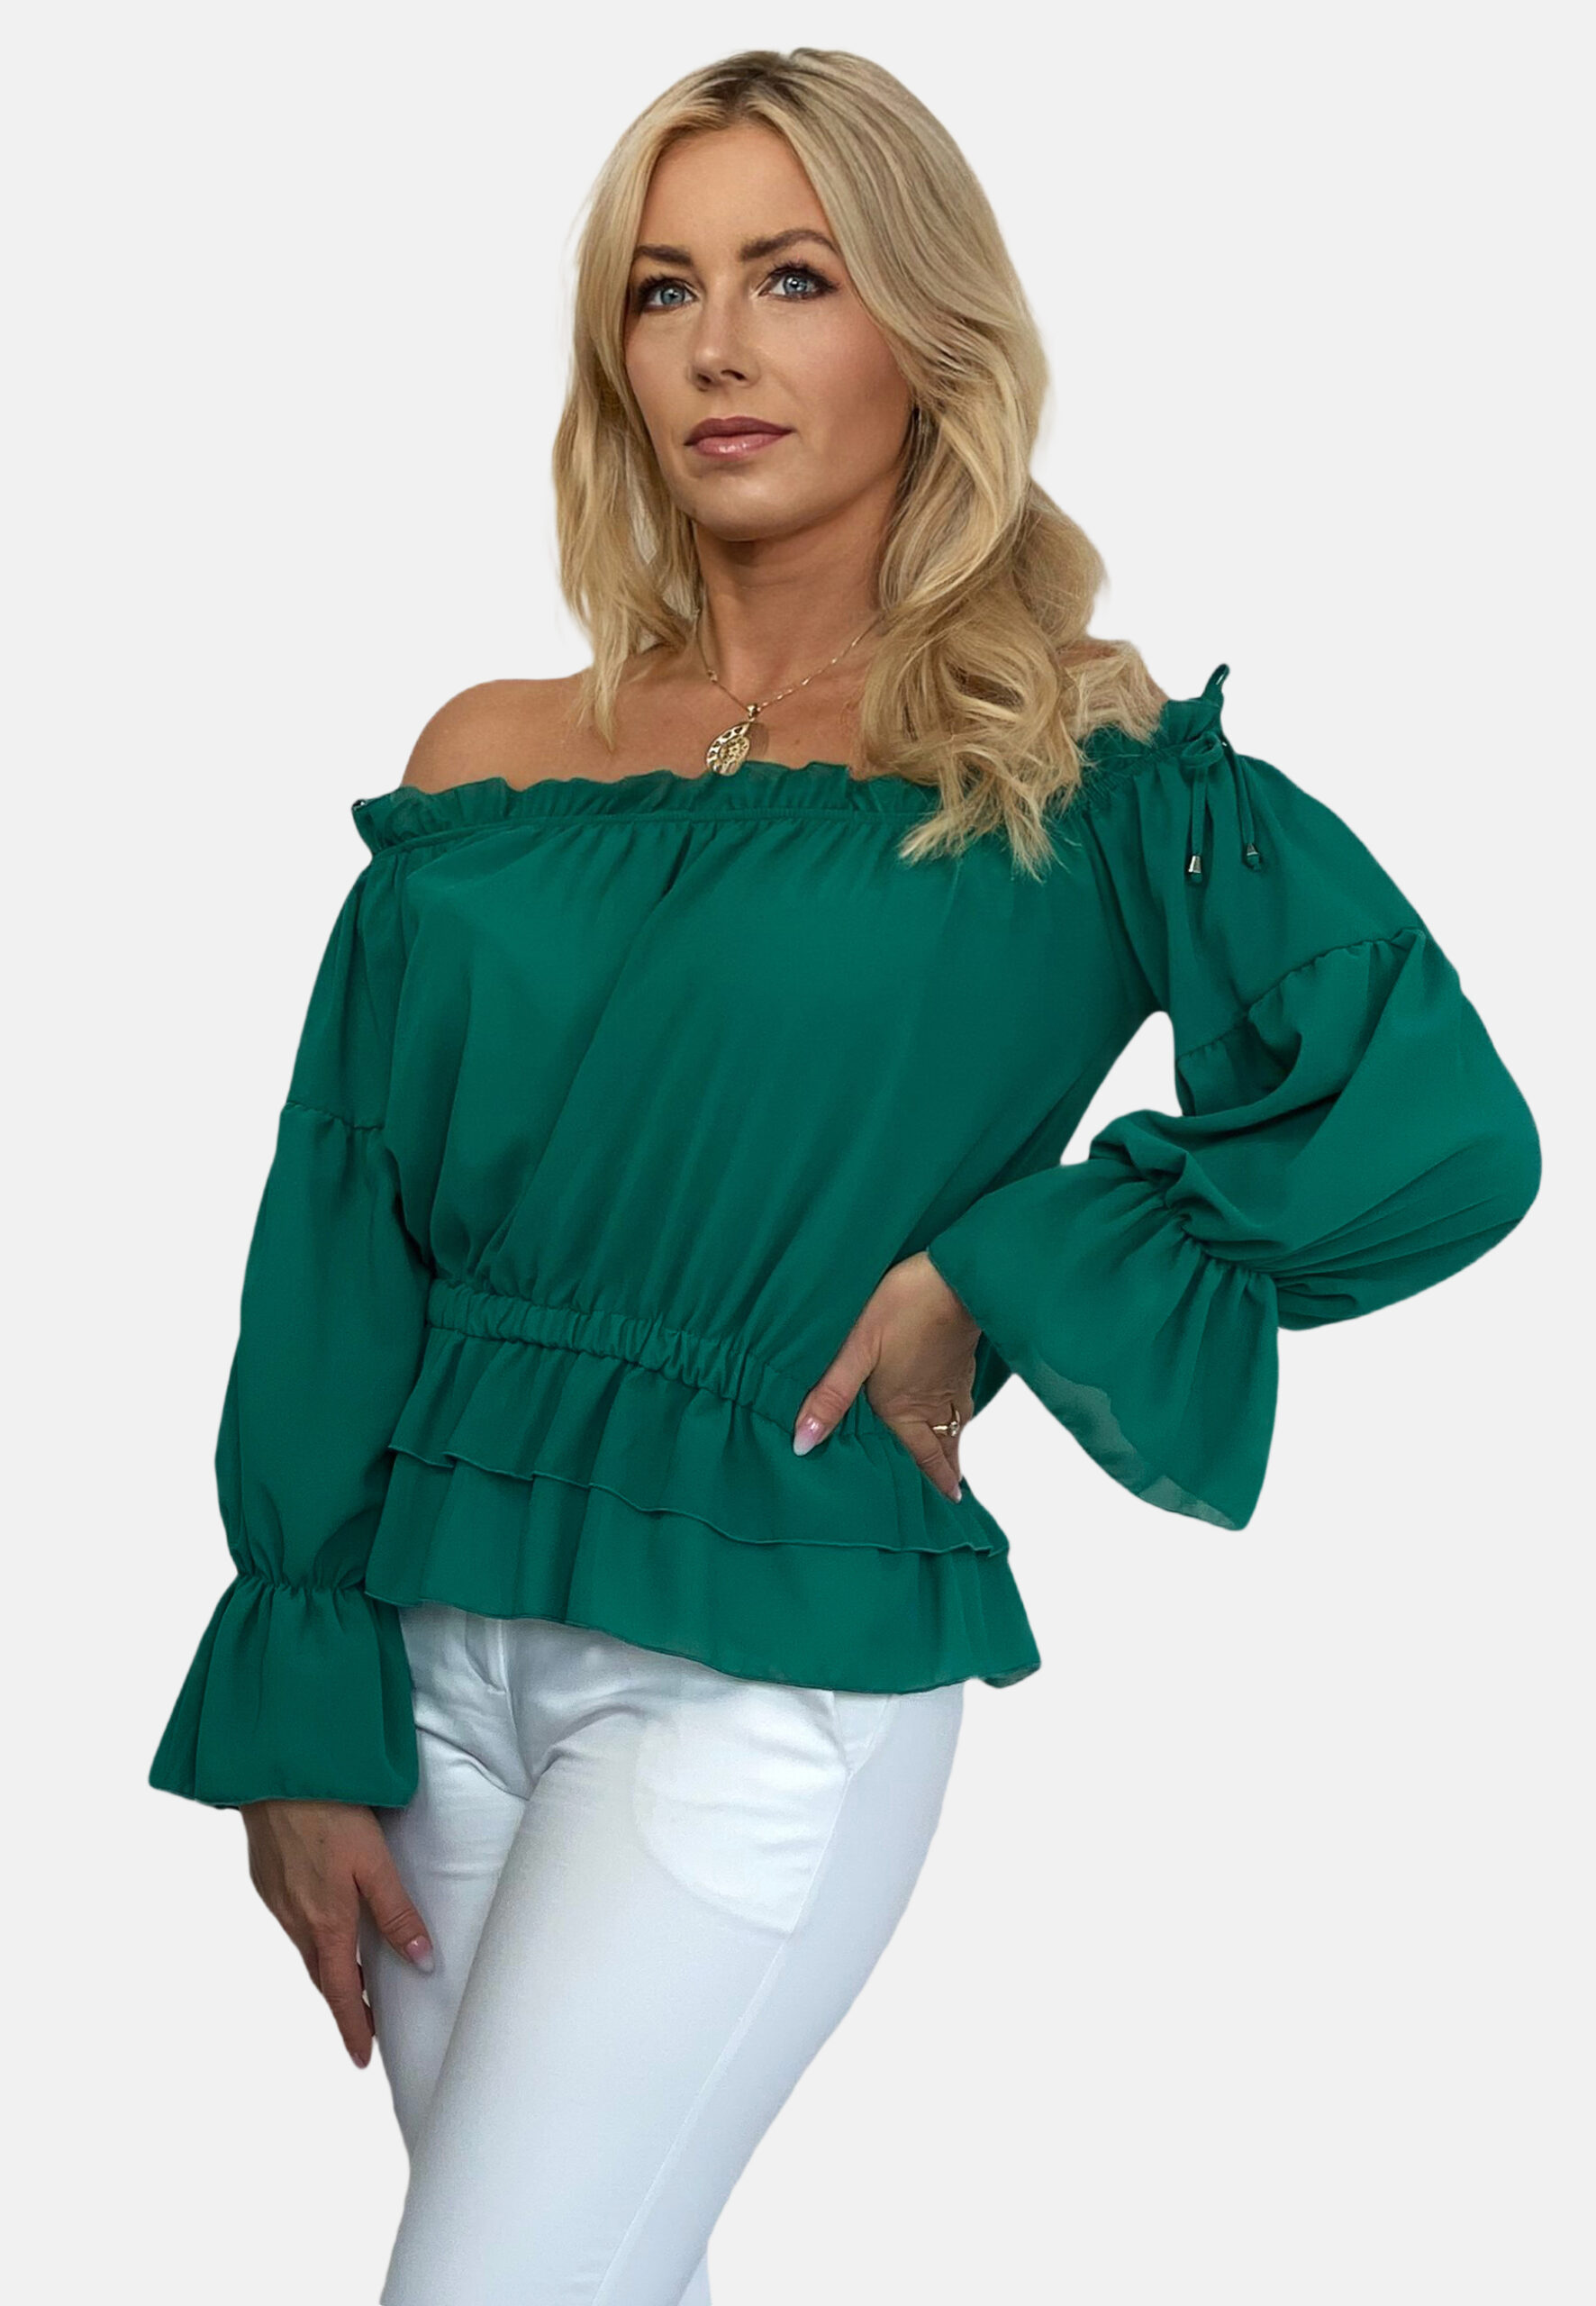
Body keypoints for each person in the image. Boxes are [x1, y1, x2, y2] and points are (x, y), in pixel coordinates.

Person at [147, 46, 1542, 2306]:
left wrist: (1004, 1260)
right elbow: (338, 1226)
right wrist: (299, 1692)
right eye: (663, 288)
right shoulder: (488, 757)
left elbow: (1431, 1126)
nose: (717, 346)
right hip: (420, 1646)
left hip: (761, 1659)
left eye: (792, 278)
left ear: (926, 330)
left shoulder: (1072, 761)